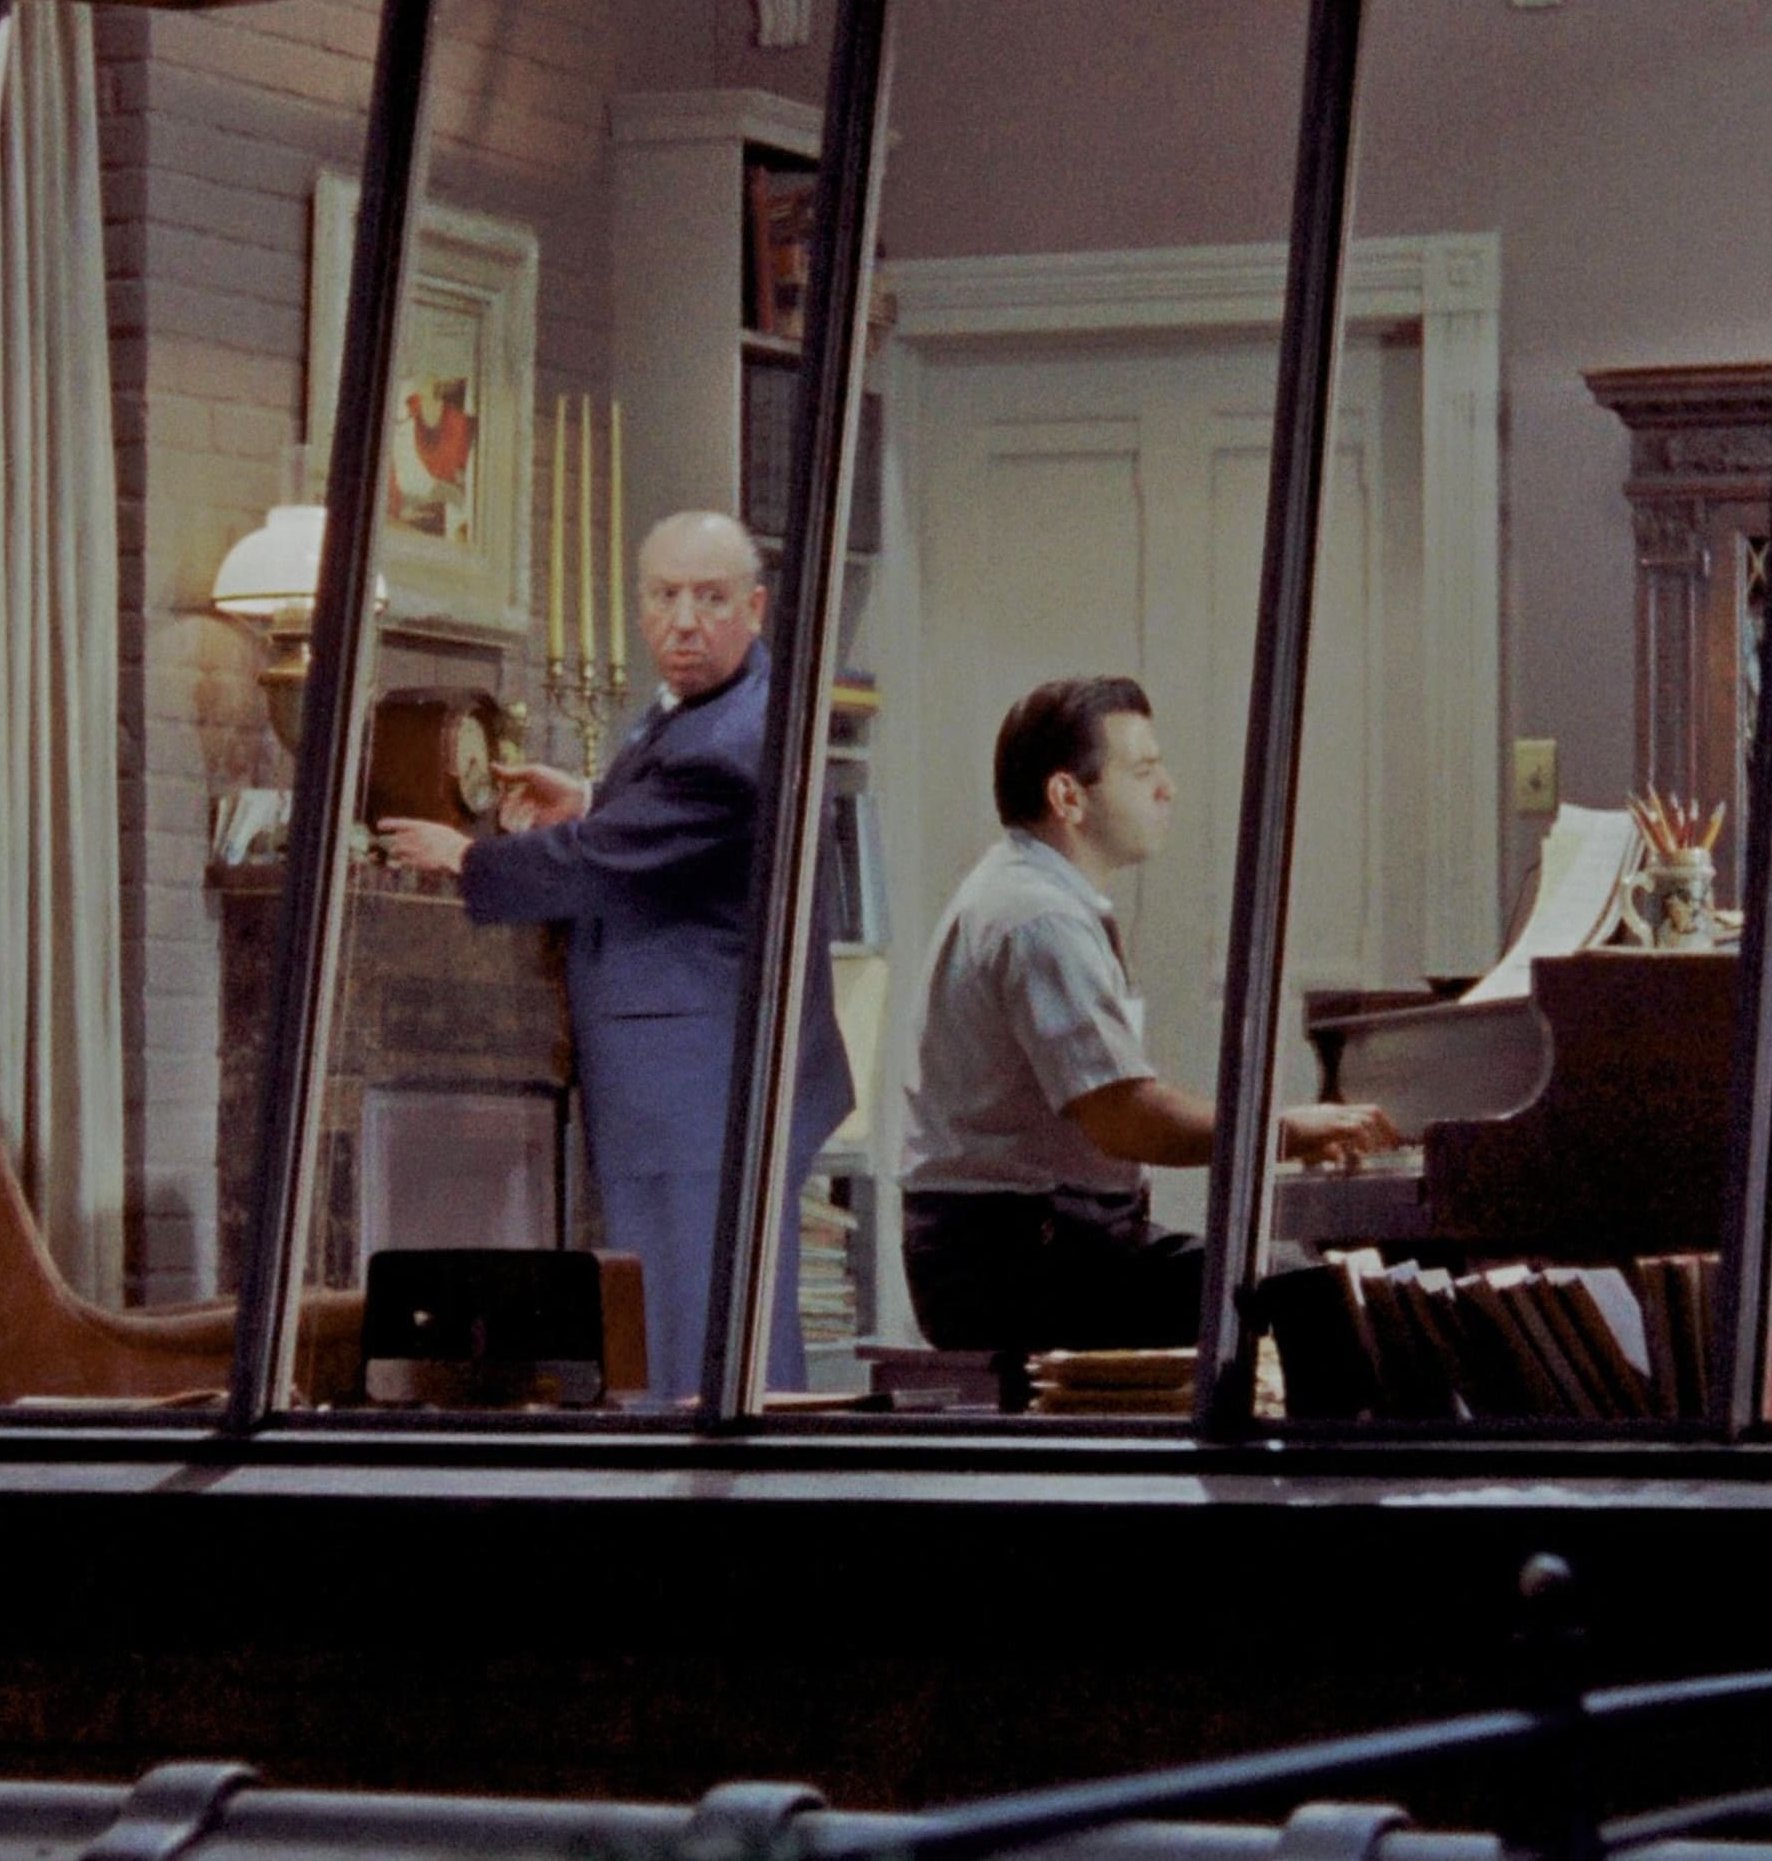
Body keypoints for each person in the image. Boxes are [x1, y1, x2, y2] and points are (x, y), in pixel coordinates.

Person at [376, 511, 853, 1400]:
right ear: (640, 608)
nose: (684, 620)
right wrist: (591, 794)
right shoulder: (721, 710)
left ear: (754, 608)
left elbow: (609, 858)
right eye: (664, 596)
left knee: (692, 1333)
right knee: (690, 1323)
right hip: (696, 1081)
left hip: (700, 1083)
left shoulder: (737, 737)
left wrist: (468, 859)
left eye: (711, 598)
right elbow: (668, 829)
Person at [896, 676, 1403, 1354]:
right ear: (1068, 796)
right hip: (1013, 1261)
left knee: (1302, 1286)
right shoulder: (1038, 916)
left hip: (1038, 1242)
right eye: (1142, 770)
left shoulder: (1032, 893)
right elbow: (1124, 1117)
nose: (1168, 788)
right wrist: (1283, 1131)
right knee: (1309, 1297)